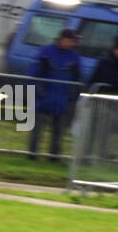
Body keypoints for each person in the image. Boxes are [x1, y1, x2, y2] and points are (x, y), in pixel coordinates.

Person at [31, 28, 82, 159]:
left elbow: (78, 79)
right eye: (70, 41)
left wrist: (72, 95)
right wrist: (38, 92)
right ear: (62, 39)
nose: (72, 44)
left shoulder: (74, 57)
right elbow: (34, 74)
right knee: (37, 130)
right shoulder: (46, 53)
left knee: (58, 132)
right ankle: (32, 155)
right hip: (43, 98)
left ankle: (54, 157)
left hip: (62, 99)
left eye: (73, 42)